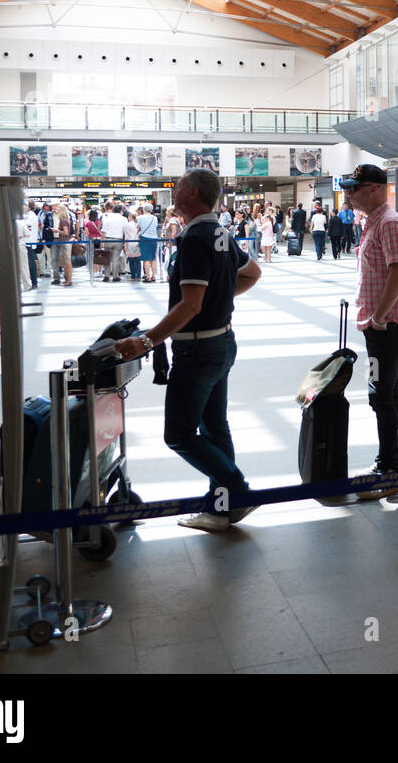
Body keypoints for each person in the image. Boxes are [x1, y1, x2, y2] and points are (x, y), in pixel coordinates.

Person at [115, 168, 262, 532]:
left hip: (198, 352)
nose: (174, 191)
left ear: (193, 193)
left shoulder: (195, 237)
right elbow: (253, 273)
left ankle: (237, 490)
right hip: (222, 344)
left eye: (178, 186)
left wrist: (147, 340)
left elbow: (191, 304)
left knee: (179, 435)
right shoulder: (221, 233)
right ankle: (222, 508)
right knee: (214, 426)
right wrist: (218, 296)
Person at [341, 165, 398, 501]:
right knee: (389, 390)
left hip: (388, 324)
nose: (348, 193)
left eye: (353, 188)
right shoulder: (374, 222)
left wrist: (380, 316)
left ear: (373, 189)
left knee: (380, 394)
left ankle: (389, 469)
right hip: (379, 324)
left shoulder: (389, 223)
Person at [100, 203, 127, 282]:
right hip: (118, 240)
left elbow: (103, 231)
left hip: (108, 239)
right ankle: (115, 276)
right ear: (121, 211)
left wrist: (102, 241)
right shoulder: (124, 219)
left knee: (107, 258)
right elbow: (125, 231)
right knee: (116, 259)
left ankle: (106, 276)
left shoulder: (107, 218)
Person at [138, 203, 159, 283]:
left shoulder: (140, 217)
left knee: (146, 258)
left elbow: (138, 227)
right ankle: (154, 276)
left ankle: (148, 277)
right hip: (154, 238)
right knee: (153, 258)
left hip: (145, 238)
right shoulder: (155, 218)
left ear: (144, 209)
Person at [54, 203, 74, 287]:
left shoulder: (63, 221)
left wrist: (57, 231)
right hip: (66, 242)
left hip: (65, 243)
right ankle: (68, 280)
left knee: (67, 262)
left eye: (58, 210)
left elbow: (65, 233)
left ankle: (68, 281)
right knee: (67, 262)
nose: (56, 211)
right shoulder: (67, 220)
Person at [85, 209, 104, 280]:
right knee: (99, 255)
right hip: (99, 239)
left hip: (91, 240)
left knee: (93, 257)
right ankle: (100, 271)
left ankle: (95, 272)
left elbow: (86, 233)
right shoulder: (99, 222)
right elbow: (99, 230)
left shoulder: (87, 223)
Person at [124, 212, 142, 281]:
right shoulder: (138, 224)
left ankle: (133, 276)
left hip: (130, 244)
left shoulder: (127, 225)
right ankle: (139, 277)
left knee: (131, 261)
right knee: (138, 261)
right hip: (137, 243)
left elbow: (127, 236)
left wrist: (125, 245)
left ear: (130, 217)